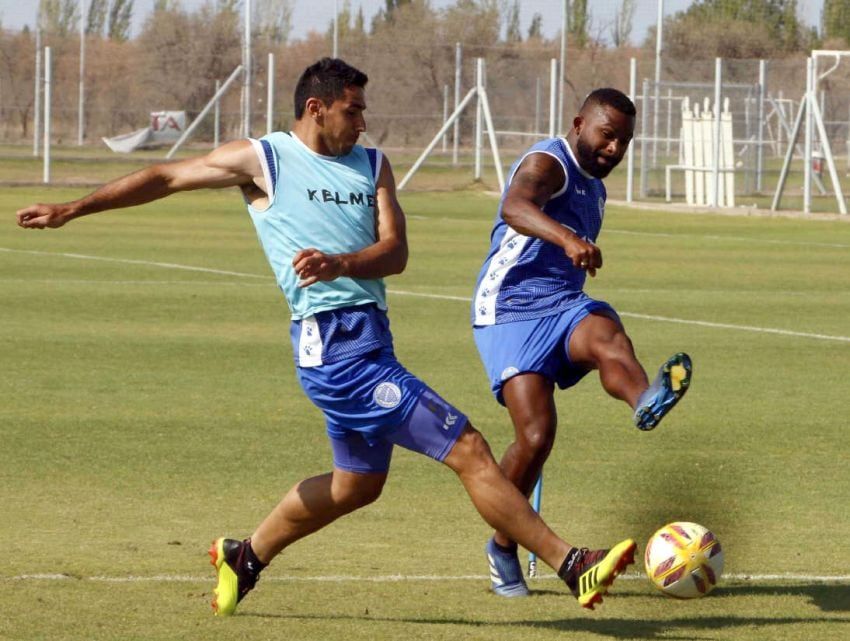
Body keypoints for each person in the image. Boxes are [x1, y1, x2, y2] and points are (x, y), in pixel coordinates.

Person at [17, 59, 636, 615]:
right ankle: (570, 563)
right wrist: (75, 208)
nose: (363, 122)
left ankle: (244, 557)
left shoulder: (373, 164)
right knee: (469, 447)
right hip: (333, 348)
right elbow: (163, 177)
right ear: (317, 107)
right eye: (353, 109)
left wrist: (342, 262)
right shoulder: (266, 159)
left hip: (372, 340)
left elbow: (395, 254)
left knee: (355, 486)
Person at [472, 88, 692, 597]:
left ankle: (646, 398)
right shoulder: (550, 162)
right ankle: (503, 547)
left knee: (607, 335)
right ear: (579, 123)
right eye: (607, 134)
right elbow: (515, 205)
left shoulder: (596, 188)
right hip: (507, 307)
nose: (614, 148)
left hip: (562, 305)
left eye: (625, 141)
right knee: (535, 438)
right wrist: (568, 238)